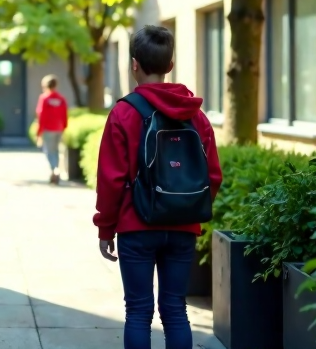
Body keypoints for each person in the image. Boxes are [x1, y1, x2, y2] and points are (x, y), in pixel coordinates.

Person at [93, 25, 222, 349]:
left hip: (136, 226)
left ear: (134, 64)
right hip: (182, 227)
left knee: (138, 312)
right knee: (176, 311)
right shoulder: (197, 116)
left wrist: (105, 229)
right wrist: (187, 209)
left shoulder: (124, 112)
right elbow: (213, 176)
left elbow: (110, 180)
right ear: (170, 64)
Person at [35, 74, 68, 185]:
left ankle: (55, 169)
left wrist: (38, 132)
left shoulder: (44, 98)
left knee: (49, 152)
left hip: (48, 129)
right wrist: (64, 127)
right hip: (59, 128)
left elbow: (41, 115)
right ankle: (56, 170)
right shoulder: (61, 98)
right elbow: (64, 114)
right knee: (56, 151)